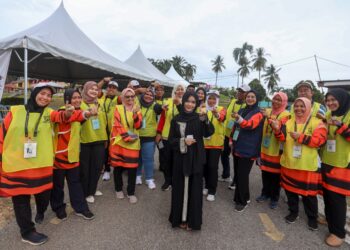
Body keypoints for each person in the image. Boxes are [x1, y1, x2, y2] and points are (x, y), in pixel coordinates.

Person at [0, 83, 73, 245]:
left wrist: (69, 113)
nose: (45, 97)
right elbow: (2, 135)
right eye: (43, 93)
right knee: (21, 200)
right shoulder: (15, 111)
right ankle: (27, 232)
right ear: (34, 93)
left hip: (42, 166)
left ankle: (40, 211)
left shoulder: (50, 113)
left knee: (43, 196)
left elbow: (63, 117)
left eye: (49, 95)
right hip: (16, 165)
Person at [271, 97, 327, 230]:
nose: (299, 109)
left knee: (309, 195)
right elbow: (282, 138)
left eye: (302, 106)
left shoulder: (317, 122)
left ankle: (312, 218)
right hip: (289, 162)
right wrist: (277, 130)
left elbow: (320, 141)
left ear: (308, 107)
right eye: (296, 106)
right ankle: (293, 212)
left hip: (307, 166)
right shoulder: (289, 122)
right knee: (290, 192)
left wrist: (301, 137)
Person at [168, 92, 214, 230]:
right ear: (183, 102)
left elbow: (209, 132)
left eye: (193, 102)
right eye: (187, 101)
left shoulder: (199, 118)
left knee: (195, 189)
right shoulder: (176, 119)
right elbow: (171, 140)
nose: (190, 104)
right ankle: (180, 218)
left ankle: (192, 221)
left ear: (196, 104)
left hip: (196, 158)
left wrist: (206, 120)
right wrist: (183, 141)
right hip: (180, 158)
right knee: (179, 188)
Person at [50, 89, 95, 221]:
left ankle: (81, 208)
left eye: (79, 97)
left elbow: (80, 115)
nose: (77, 100)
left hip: (73, 155)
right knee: (58, 186)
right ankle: (59, 208)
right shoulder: (61, 111)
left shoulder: (78, 110)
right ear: (67, 99)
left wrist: (88, 112)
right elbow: (70, 116)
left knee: (75, 183)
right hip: (58, 156)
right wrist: (86, 113)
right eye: (74, 98)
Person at [320, 88, 350, 247]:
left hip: (343, 164)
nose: (330, 103)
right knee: (327, 194)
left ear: (342, 99)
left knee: (337, 198)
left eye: (333, 100)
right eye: (328, 100)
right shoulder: (327, 115)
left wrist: (341, 126)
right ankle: (329, 220)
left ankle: (338, 233)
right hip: (327, 160)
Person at [230, 90, 264, 212]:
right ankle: (245, 196)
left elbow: (250, 125)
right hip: (238, 146)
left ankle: (242, 201)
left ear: (257, 99)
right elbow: (236, 127)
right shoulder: (242, 110)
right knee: (239, 174)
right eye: (248, 96)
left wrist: (239, 119)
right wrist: (231, 139)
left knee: (242, 175)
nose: (250, 98)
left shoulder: (259, 113)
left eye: (253, 97)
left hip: (249, 148)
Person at [256, 92, 290, 209]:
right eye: (274, 99)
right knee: (265, 173)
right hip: (265, 149)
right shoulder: (268, 111)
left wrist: (268, 118)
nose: (276, 101)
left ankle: (274, 198)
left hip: (277, 151)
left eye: (279, 100)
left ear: (284, 102)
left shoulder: (286, 115)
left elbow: (281, 130)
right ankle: (265, 194)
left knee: (275, 177)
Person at [109, 88, 142, 204]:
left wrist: (135, 114)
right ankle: (118, 189)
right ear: (123, 98)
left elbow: (138, 126)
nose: (130, 99)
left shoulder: (137, 109)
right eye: (127, 97)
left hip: (133, 144)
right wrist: (127, 137)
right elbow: (117, 125)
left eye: (132, 96)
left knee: (132, 169)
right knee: (118, 167)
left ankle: (131, 192)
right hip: (120, 142)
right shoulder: (118, 108)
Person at [79, 81, 108, 203]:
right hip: (85, 140)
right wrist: (89, 114)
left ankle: (93, 189)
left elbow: (104, 122)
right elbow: (78, 120)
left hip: (100, 139)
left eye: (96, 89)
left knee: (97, 167)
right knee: (85, 169)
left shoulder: (100, 103)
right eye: (91, 89)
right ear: (85, 90)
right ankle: (86, 193)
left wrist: (106, 138)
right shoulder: (80, 104)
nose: (94, 91)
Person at [156, 84, 185, 191]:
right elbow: (162, 118)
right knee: (166, 160)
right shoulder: (167, 101)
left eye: (182, 89)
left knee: (177, 161)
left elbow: (185, 117)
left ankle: (176, 181)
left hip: (179, 137)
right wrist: (159, 133)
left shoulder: (187, 103)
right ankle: (168, 181)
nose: (180, 91)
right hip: (166, 135)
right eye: (178, 89)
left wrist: (179, 105)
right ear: (174, 91)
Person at [221, 84, 250, 187]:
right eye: (239, 91)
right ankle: (226, 175)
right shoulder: (232, 101)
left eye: (242, 92)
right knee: (224, 154)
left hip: (236, 135)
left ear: (247, 94)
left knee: (236, 158)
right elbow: (226, 115)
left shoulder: (247, 105)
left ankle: (236, 180)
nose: (239, 93)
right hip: (227, 133)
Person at [136, 88, 163, 189]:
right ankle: (138, 175)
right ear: (142, 95)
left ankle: (149, 178)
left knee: (148, 159)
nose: (149, 96)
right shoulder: (137, 104)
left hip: (149, 137)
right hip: (137, 136)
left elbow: (160, 109)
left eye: (151, 95)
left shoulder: (155, 106)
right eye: (146, 94)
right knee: (137, 158)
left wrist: (163, 107)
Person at [202, 90, 226, 202]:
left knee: (213, 167)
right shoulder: (203, 108)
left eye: (214, 98)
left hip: (216, 144)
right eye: (210, 98)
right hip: (204, 143)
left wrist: (216, 114)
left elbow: (222, 118)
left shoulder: (221, 109)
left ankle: (212, 190)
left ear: (217, 100)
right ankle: (207, 186)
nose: (211, 100)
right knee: (205, 166)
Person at [100, 80, 119, 181]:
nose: (111, 89)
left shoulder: (118, 99)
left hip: (115, 131)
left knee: (115, 151)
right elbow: (96, 88)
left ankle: (118, 169)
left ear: (117, 90)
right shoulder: (102, 98)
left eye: (114, 87)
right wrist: (103, 81)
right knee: (105, 151)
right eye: (109, 87)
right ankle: (107, 170)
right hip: (103, 131)